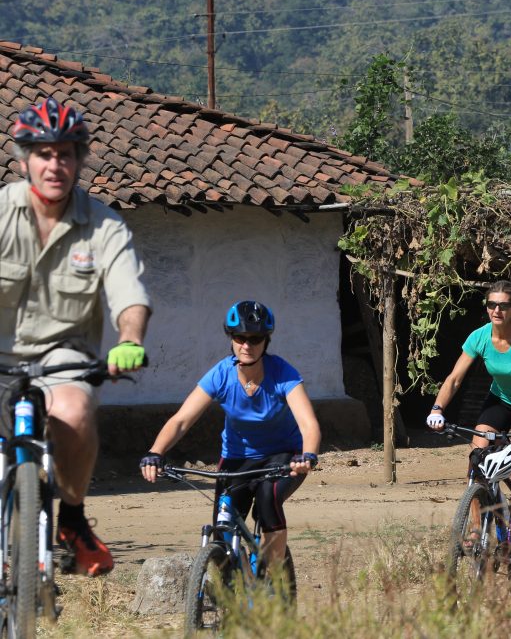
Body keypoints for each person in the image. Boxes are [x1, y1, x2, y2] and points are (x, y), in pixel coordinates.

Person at [0, 97, 151, 576]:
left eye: (67, 153)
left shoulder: (103, 225)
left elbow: (129, 293)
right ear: (25, 159)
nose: (55, 164)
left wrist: (129, 340)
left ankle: (72, 517)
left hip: (62, 358)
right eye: (44, 153)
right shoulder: (1, 212)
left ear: (81, 160)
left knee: (76, 410)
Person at [139, 301, 320, 569]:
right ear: (231, 339)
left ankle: (275, 586)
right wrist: (155, 453)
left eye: (255, 338)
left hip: (284, 456)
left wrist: (308, 455)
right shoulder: (221, 375)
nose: (247, 345)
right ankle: (224, 596)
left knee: (268, 500)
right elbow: (181, 420)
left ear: (266, 341)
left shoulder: (283, 373)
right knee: (223, 529)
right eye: (240, 337)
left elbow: (308, 424)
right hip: (236, 458)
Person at [426, 280, 511, 552]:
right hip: (501, 401)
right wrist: (437, 409)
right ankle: (476, 530)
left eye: (504, 305)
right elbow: (454, 379)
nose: (497, 310)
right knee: (476, 461)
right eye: (491, 304)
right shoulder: (480, 337)